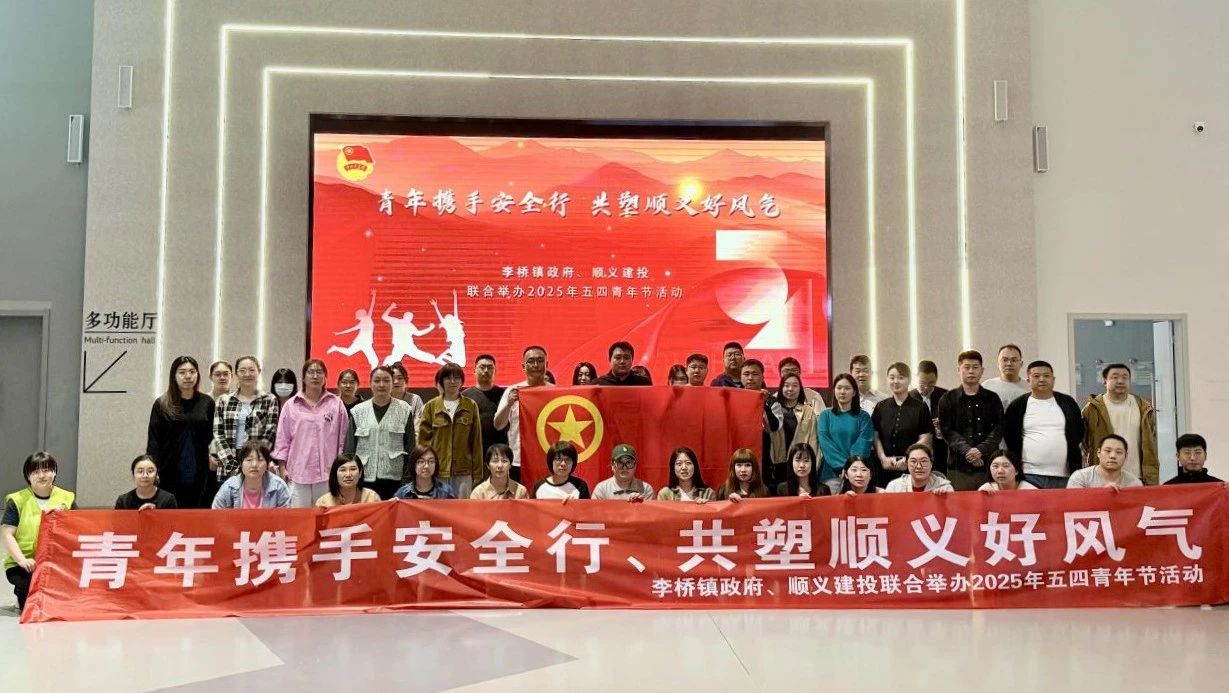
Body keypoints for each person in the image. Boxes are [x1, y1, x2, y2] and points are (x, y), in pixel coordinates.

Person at [3, 452, 76, 611]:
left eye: (46, 470)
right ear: (28, 475)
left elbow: (78, 529)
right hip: (25, 562)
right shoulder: (17, 500)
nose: (42, 475)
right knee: (30, 603)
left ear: (54, 472)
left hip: (56, 560)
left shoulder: (67, 497)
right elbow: (7, 535)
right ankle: (20, 594)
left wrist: (65, 517)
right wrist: (22, 560)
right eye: (36, 471)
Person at [274, 359, 350, 507]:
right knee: (299, 518)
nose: (315, 376)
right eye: (311, 372)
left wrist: (341, 468)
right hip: (298, 473)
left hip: (328, 473)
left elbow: (343, 439)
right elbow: (283, 439)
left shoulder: (336, 404)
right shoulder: (291, 405)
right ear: (303, 377)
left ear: (325, 377)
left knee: (325, 517)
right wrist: (282, 468)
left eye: (319, 372)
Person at [147, 355, 216, 508]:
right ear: (174, 375)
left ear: (197, 375)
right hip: (169, 469)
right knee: (170, 511)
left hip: (200, 469)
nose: (188, 376)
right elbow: (154, 440)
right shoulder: (162, 403)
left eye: (192, 371)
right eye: (182, 372)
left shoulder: (207, 402)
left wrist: (214, 456)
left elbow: (215, 435)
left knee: (198, 512)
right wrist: (153, 468)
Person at [1003, 360, 1084, 489]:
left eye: (1046, 376)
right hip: (1029, 475)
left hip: (1066, 474)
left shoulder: (1068, 402)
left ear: (1053, 379)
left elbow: (1078, 431)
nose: (1042, 379)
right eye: (1036, 376)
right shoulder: (1017, 406)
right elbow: (1010, 437)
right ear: (1028, 380)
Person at [1081, 363, 1159, 485]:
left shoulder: (1143, 407)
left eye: (1125, 377)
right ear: (1105, 381)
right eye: (1115, 377)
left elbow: (1150, 440)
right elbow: (1085, 443)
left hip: (1137, 477)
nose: (1120, 381)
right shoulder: (1092, 409)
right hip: (1104, 479)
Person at [345, 366, 415, 500]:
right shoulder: (358, 411)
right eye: (377, 380)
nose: (381, 385)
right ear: (370, 383)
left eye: (386, 380)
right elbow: (349, 449)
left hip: (395, 482)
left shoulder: (405, 410)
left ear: (392, 383)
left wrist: (407, 481)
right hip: (364, 480)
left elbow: (410, 447)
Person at [937, 350, 1003, 491]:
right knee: (959, 504)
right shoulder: (947, 399)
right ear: (958, 370)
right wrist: (968, 451)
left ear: (982, 370)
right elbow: (947, 431)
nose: (971, 371)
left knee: (990, 503)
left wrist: (980, 450)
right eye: (966, 367)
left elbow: (998, 429)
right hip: (958, 467)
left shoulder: (992, 398)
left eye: (975, 367)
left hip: (988, 465)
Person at [418, 363, 483, 498]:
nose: (452, 381)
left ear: (462, 381)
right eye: (448, 378)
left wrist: (477, 473)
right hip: (437, 470)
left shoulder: (470, 406)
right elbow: (423, 443)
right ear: (441, 381)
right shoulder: (431, 406)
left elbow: (476, 441)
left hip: (463, 471)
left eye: (457, 378)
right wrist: (425, 468)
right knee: (439, 508)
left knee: (462, 508)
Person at [213, 355, 280, 482]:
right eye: (242, 370)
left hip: (257, 464)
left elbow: (270, 434)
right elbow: (218, 434)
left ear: (259, 371)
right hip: (228, 462)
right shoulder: (224, 400)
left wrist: (254, 461)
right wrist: (232, 466)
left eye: (251, 370)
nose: (247, 374)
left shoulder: (269, 400)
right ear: (236, 374)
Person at [494, 345, 554, 481]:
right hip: (519, 460)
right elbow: (498, 425)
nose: (536, 365)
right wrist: (509, 404)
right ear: (523, 366)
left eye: (540, 360)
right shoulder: (512, 391)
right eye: (531, 361)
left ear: (546, 364)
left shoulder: (556, 392)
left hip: (549, 458)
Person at [871, 362, 934, 489]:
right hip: (884, 467)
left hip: (911, 468)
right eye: (892, 377)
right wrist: (883, 458)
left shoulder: (920, 407)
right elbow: (875, 435)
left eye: (901, 377)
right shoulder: (881, 407)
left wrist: (908, 459)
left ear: (909, 380)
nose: (896, 381)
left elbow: (926, 438)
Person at [818, 373, 874, 494]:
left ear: (854, 392)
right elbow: (826, 445)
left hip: (858, 474)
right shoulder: (825, 415)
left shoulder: (863, 417)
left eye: (847, 388)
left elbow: (863, 444)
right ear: (834, 391)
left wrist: (851, 468)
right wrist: (844, 466)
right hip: (832, 474)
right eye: (839, 388)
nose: (842, 392)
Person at [212, 441, 292, 508]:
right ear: (241, 464)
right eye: (249, 460)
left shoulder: (279, 487)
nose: (254, 465)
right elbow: (216, 514)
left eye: (260, 460)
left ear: (267, 464)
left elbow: (287, 517)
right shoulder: (229, 487)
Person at [742, 358, 784, 483]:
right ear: (741, 377)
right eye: (746, 374)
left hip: (763, 456)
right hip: (740, 455)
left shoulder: (771, 401)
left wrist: (764, 404)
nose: (750, 378)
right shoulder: (734, 398)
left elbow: (774, 427)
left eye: (755, 374)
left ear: (762, 377)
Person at [772, 373, 820, 471]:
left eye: (795, 386)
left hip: (800, 463)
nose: (790, 389)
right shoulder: (773, 410)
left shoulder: (808, 411)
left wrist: (812, 466)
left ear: (800, 389)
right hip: (776, 464)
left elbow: (813, 440)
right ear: (781, 388)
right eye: (786, 385)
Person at [908, 360, 948, 473]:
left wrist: (943, 426)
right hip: (916, 452)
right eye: (922, 383)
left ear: (936, 379)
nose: (926, 388)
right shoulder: (908, 398)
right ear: (916, 377)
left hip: (941, 453)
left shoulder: (945, 396)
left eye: (931, 384)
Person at [463, 354, 508, 452]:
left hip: (499, 449)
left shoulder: (504, 395)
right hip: (473, 450)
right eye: (482, 367)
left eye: (490, 367)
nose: (486, 370)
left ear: (495, 371)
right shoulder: (464, 396)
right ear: (474, 370)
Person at [1067, 434, 1142, 489]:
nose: (1113, 456)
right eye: (1108, 451)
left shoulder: (1134, 484)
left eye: (1119, 452)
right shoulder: (1080, 478)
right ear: (1098, 453)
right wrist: (1103, 494)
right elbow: (1073, 503)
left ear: (1126, 456)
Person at [114, 454, 179, 509]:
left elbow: (173, 520)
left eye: (150, 471)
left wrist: (156, 513)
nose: (145, 475)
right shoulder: (123, 501)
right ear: (133, 474)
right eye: (140, 471)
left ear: (157, 475)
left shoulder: (168, 499)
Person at [315, 453, 381, 506]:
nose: (348, 475)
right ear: (335, 474)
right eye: (343, 470)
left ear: (360, 473)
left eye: (353, 469)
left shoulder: (372, 498)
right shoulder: (323, 502)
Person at [885, 444, 954, 493]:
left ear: (931, 463)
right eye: (913, 461)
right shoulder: (894, 487)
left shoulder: (944, 487)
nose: (919, 466)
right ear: (907, 464)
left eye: (923, 461)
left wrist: (945, 497)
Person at [982, 344, 1030, 411]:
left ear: (1021, 364)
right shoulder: (986, 386)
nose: (1009, 364)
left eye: (1014, 360)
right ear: (998, 363)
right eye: (1005, 360)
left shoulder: (1029, 387)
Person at [388, 362, 426, 430]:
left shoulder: (415, 399)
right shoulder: (382, 401)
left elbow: (420, 426)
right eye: (392, 379)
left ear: (406, 380)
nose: (396, 381)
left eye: (400, 378)